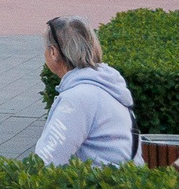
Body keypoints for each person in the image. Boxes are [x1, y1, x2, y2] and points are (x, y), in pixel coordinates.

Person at [34, 15, 137, 166]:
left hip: (101, 186)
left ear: (53, 52)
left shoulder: (78, 98)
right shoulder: (106, 84)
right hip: (124, 179)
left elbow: (48, 159)